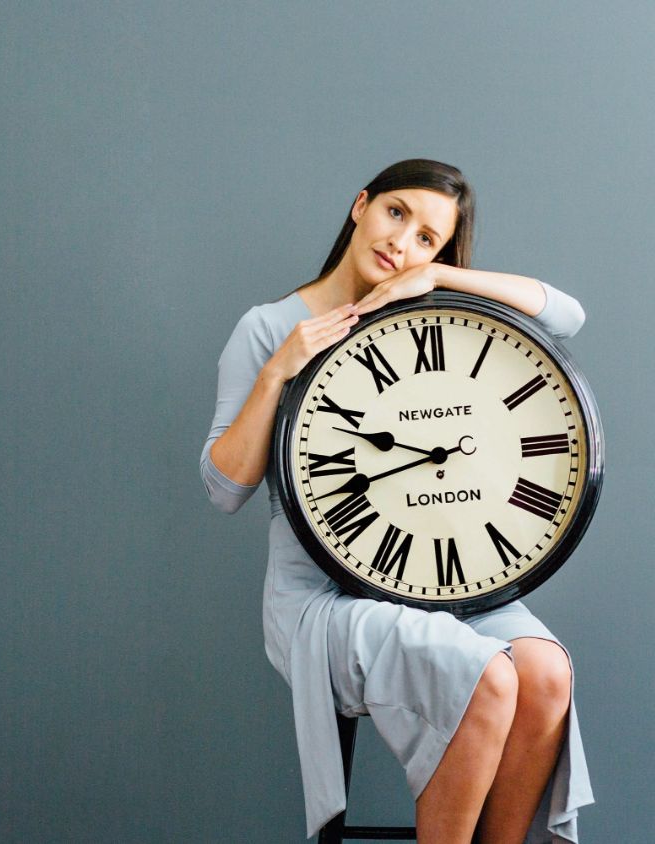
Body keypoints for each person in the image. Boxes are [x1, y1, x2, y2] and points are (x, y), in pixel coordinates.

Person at [199, 159, 593, 843]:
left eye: (427, 239)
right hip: (325, 601)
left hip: (453, 590)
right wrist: (278, 371)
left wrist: (440, 279)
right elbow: (224, 488)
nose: (400, 242)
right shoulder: (269, 327)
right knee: (489, 676)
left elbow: (569, 314)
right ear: (361, 205)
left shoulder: (434, 312)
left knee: (546, 671)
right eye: (396, 213)